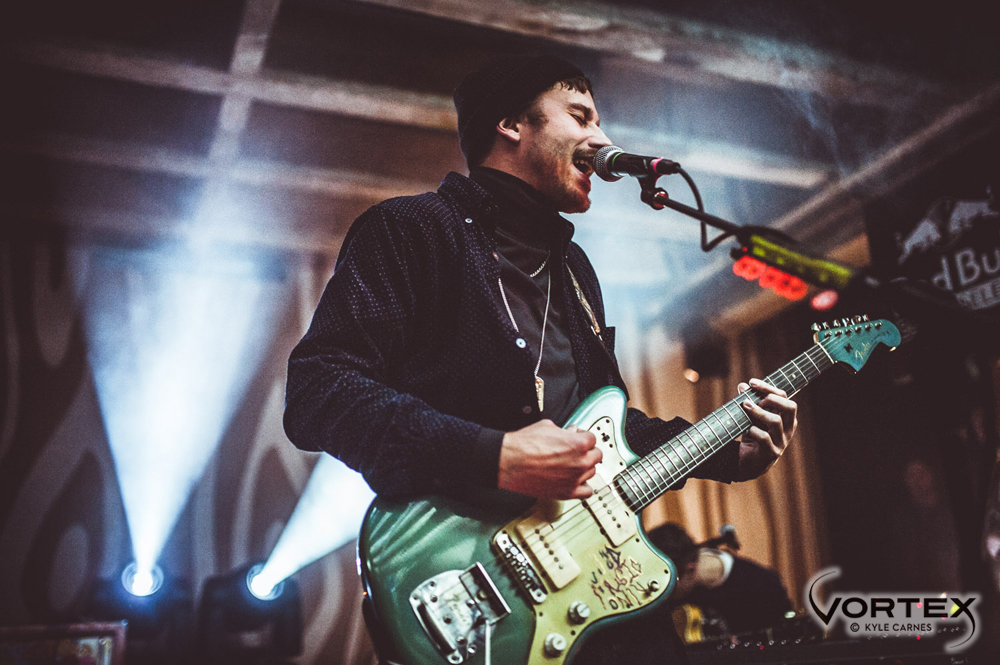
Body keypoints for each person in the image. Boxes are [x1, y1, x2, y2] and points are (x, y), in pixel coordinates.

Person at [284, 54, 798, 664]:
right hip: (466, 576)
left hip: (591, 589)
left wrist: (728, 453)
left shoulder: (574, 271)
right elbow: (319, 391)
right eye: (580, 116)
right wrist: (492, 455)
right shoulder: (411, 231)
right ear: (510, 124)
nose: (602, 139)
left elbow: (609, 430)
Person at [647, 523, 794, 639]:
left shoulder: (763, 587)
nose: (659, 592)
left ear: (690, 570)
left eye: (666, 584)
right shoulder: (681, 567)